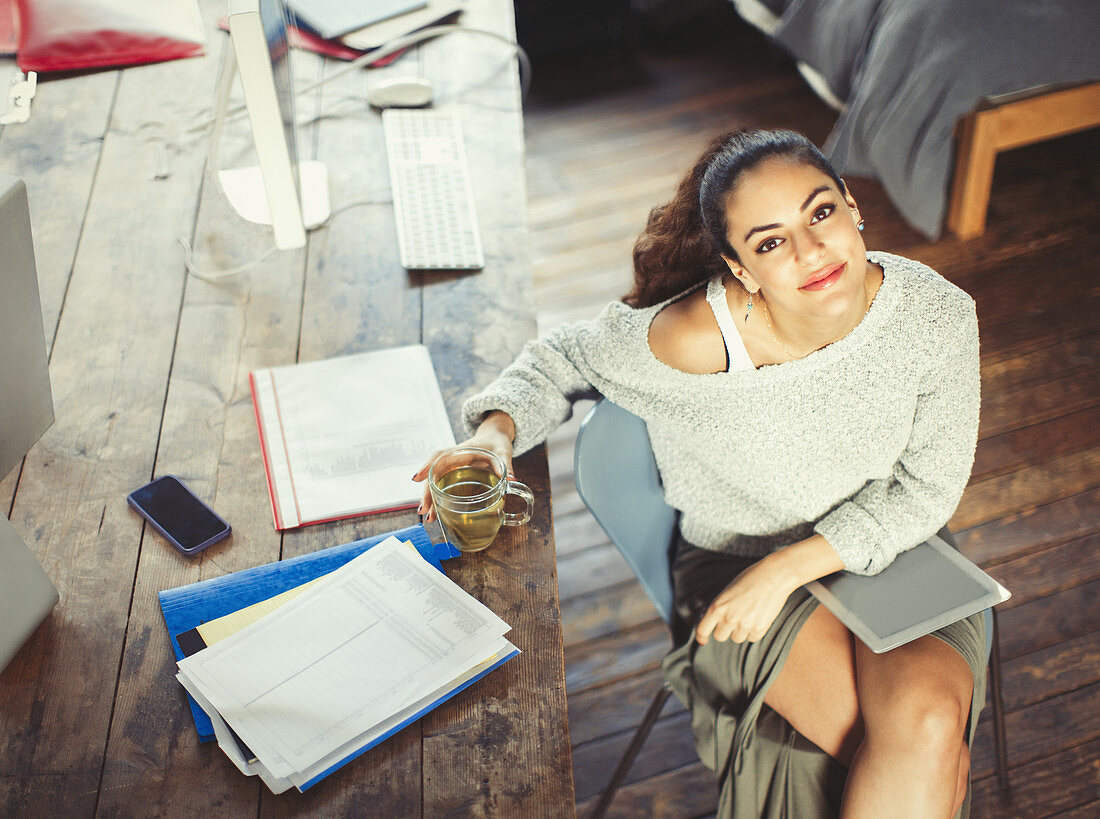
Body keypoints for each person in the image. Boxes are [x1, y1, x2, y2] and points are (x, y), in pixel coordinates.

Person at [413, 129, 985, 818]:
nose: (810, 251)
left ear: (852, 206)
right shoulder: (693, 340)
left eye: (820, 213)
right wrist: (494, 433)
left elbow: (926, 489)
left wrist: (791, 568)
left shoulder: (937, 316)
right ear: (740, 268)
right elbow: (560, 358)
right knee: (925, 757)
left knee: (926, 727)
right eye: (770, 242)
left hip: (891, 549)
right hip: (738, 562)